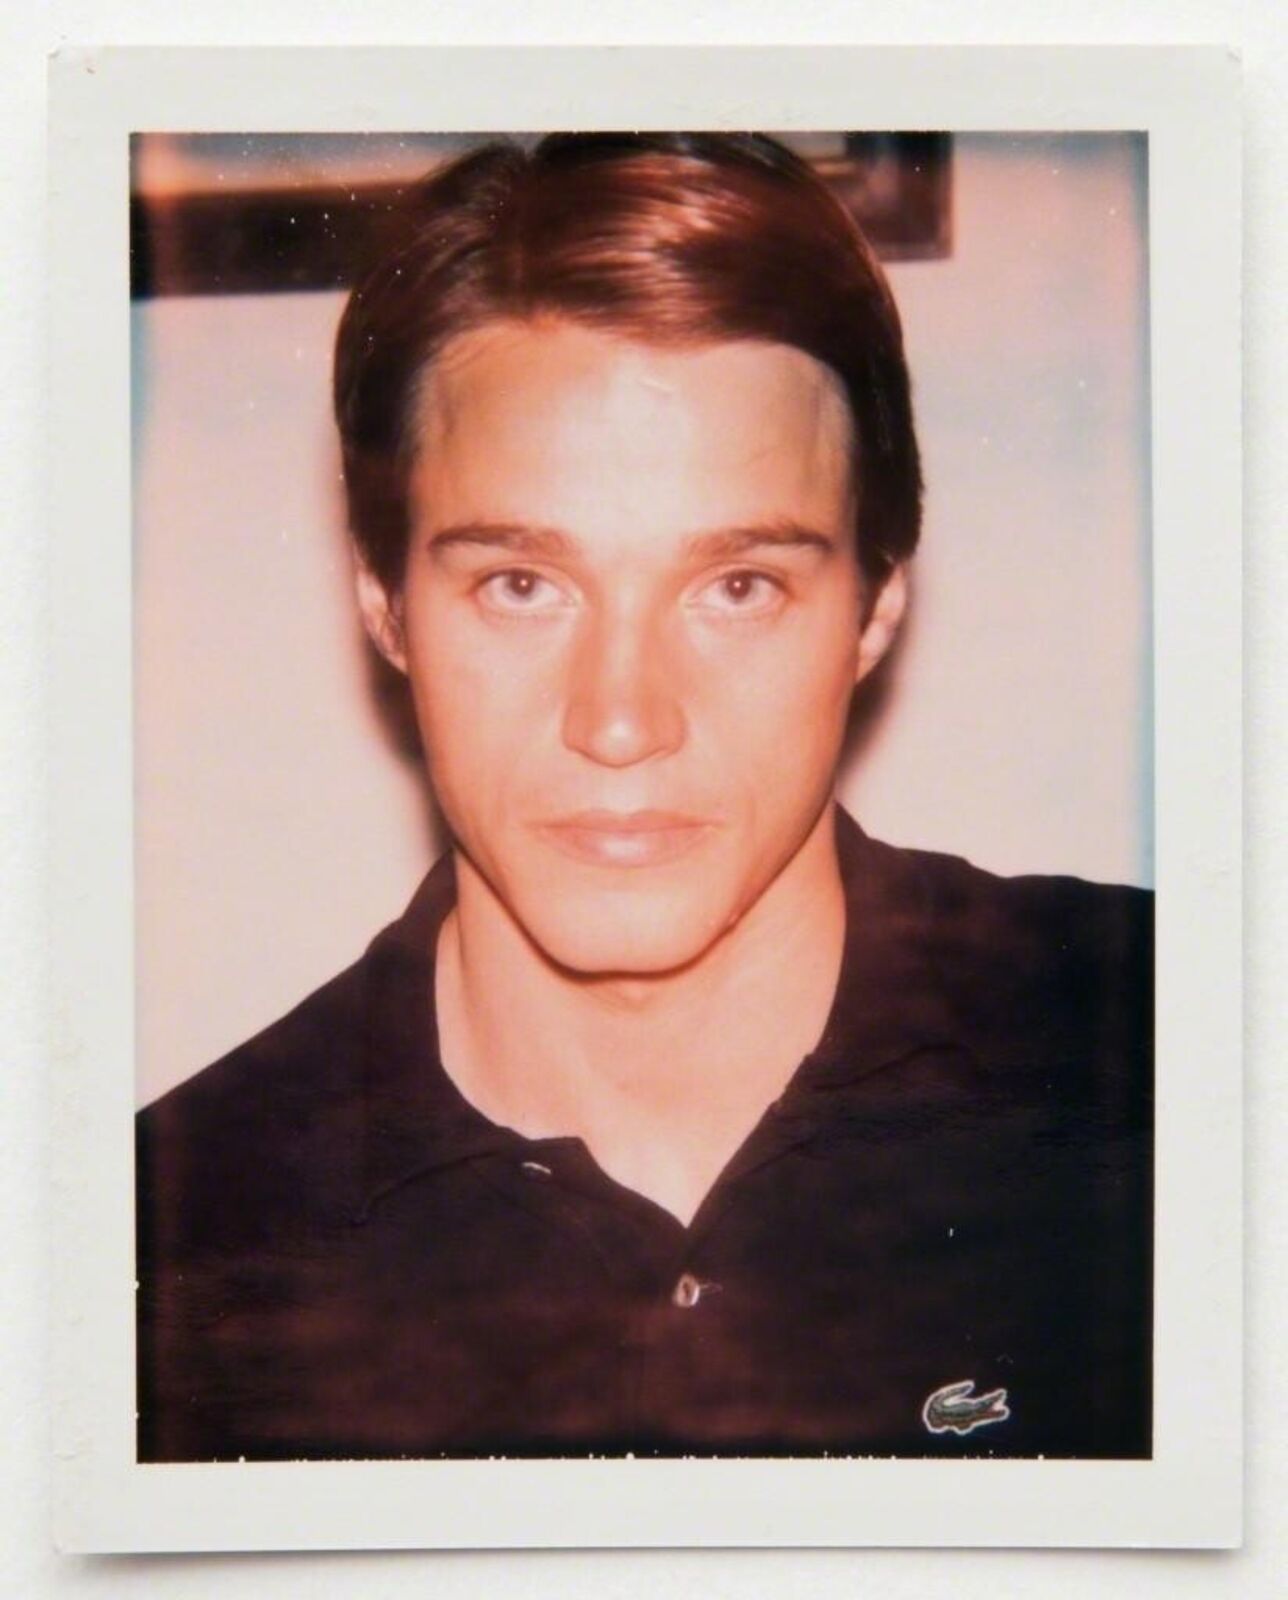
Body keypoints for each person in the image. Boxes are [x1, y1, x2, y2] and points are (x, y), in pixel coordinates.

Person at [136, 132, 1152, 1462]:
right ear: (385, 605)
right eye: (520, 586)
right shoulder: (163, 1256)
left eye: (737, 587)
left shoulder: (1182, 1059)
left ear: (875, 608)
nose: (620, 721)